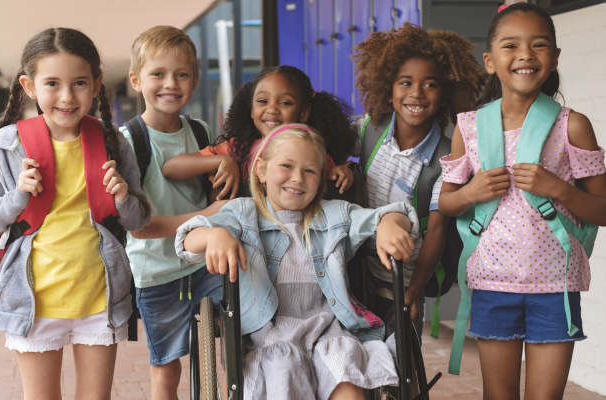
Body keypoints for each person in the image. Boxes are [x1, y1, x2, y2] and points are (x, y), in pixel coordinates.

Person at [0, 28, 150, 399]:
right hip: (34, 302)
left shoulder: (113, 142)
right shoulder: (5, 147)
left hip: (101, 298)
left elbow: (139, 220)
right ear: (29, 86)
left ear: (97, 84)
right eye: (52, 83)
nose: (67, 96)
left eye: (79, 83)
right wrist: (16, 197)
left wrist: (124, 197)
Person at [175, 124, 419, 400]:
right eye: (287, 166)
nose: (298, 178)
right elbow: (186, 240)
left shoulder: (334, 215)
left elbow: (399, 214)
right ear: (261, 170)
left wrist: (388, 224)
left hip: (327, 329)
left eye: (309, 171)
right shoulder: (243, 214)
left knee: (345, 373)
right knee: (284, 367)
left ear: (320, 180)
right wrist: (214, 235)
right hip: (270, 336)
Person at [438, 3, 606, 399]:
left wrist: (560, 189)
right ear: (490, 60)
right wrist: (469, 193)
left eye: (539, 45)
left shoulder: (573, 125)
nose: (526, 55)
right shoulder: (469, 127)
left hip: (556, 287)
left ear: (555, 57)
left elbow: (603, 208)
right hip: (493, 285)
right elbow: (446, 204)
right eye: (511, 45)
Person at [352, 23, 486, 339]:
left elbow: (437, 231)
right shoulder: (370, 128)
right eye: (406, 82)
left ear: (446, 94)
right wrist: (339, 166)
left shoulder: (447, 156)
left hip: (401, 276)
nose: (416, 93)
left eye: (430, 85)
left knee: (403, 366)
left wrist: (412, 292)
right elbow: (320, 149)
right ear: (389, 89)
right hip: (354, 267)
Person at [120, 26, 227, 400]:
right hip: (157, 273)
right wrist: (207, 216)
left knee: (237, 348)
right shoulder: (127, 141)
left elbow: (216, 190)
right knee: (166, 372)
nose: (171, 83)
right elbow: (140, 229)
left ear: (195, 80)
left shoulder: (200, 131)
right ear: (136, 79)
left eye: (182, 74)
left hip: (205, 264)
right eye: (158, 74)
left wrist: (225, 166)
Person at [161, 65, 359, 200]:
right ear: (251, 109)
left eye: (285, 103)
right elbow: (171, 168)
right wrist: (222, 161)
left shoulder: (314, 153)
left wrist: (338, 172)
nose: (271, 109)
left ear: (304, 112)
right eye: (262, 101)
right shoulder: (237, 148)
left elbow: (329, 181)